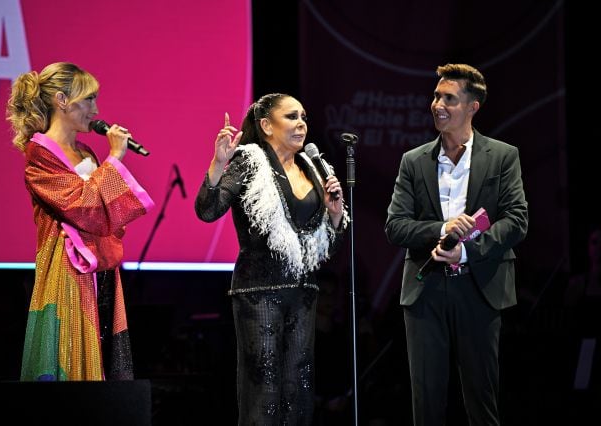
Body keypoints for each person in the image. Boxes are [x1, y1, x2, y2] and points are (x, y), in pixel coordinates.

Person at [384, 63, 529, 426]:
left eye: (449, 97)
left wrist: (466, 250)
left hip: (479, 286)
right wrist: (443, 228)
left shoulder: (503, 155)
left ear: (472, 106)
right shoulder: (413, 161)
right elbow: (395, 226)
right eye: (436, 96)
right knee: (427, 402)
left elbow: (516, 220)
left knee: (482, 400)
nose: (437, 104)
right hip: (426, 288)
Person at [195, 93, 349, 425]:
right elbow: (208, 211)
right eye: (291, 116)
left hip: (303, 292)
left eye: (304, 116)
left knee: (299, 389)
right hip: (258, 290)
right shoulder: (248, 161)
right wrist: (218, 164)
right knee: (263, 387)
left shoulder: (314, 167)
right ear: (266, 125)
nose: (301, 123)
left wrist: (335, 216)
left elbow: (324, 248)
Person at [6, 62, 155, 381]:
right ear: (61, 100)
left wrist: (107, 169)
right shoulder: (40, 155)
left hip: (103, 268)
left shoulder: (86, 151)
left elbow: (111, 214)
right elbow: (83, 208)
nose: (96, 109)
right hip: (68, 270)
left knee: (104, 365)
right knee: (72, 359)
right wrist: (114, 159)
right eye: (88, 99)